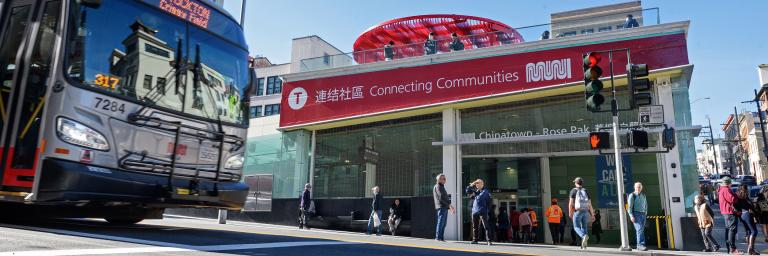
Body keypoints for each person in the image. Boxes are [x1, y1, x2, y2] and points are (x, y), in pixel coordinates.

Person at [569, 177, 595, 250]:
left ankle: (583, 236)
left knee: (576, 227)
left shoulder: (573, 191)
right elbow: (590, 204)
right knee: (584, 227)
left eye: (574, 182)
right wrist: (592, 215)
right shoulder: (585, 191)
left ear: (576, 183)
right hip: (585, 211)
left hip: (578, 211)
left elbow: (570, 204)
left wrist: (570, 213)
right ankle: (584, 245)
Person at [466, 179, 492, 245]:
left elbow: (489, 202)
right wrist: (472, 185)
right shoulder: (476, 191)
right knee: (475, 226)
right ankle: (475, 240)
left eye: (478, 183)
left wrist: (487, 210)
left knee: (486, 226)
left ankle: (488, 240)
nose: (477, 184)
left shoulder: (486, 192)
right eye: (476, 183)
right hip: (475, 211)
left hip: (483, 211)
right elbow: (467, 191)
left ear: (482, 184)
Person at [718, 177, 741, 254]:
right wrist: (736, 195)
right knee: (732, 229)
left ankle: (729, 248)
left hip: (725, 212)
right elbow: (732, 200)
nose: (731, 184)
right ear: (728, 183)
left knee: (728, 229)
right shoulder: (726, 189)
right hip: (729, 212)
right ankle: (733, 249)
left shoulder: (721, 189)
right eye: (730, 183)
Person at [736, 184, 760, 255]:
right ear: (745, 189)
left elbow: (737, 206)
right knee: (754, 231)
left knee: (748, 232)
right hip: (747, 214)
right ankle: (750, 249)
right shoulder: (745, 196)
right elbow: (750, 206)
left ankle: (750, 249)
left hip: (742, 215)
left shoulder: (737, 196)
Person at [433, 174, 455, 241]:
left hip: (443, 207)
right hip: (442, 207)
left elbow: (443, 198)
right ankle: (438, 237)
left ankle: (440, 238)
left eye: (445, 179)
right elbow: (441, 197)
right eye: (443, 179)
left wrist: (449, 206)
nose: (445, 180)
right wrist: (450, 205)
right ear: (439, 179)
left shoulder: (440, 186)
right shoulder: (438, 186)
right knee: (441, 222)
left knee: (443, 223)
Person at [627, 182, 648, 251]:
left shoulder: (643, 195)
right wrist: (631, 216)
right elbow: (629, 207)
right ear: (634, 187)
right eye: (637, 187)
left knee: (641, 230)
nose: (638, 188)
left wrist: (645, 213)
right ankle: (640, 245)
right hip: (636, 214)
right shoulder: (632, 195)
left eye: (639, 187)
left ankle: (640, 245)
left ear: (641, 188)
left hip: (643, 214)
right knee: (639, 229)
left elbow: (646, 205)